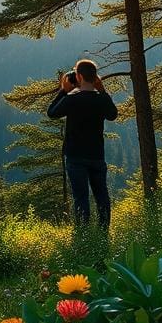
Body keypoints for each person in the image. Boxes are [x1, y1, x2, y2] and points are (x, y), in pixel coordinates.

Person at [47, 59, 118, 228]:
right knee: (102, 197)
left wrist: (64, 91)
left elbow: (52, 113)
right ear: (95, 77)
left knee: (81, 198)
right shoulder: (100, 100)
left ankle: (83, 236)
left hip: (75, 156)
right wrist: (102, 91)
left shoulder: (72, 100)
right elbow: (113, 114)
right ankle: (103, 234)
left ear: (78, 76)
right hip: (96, 156)